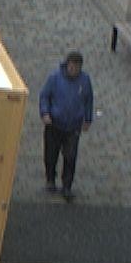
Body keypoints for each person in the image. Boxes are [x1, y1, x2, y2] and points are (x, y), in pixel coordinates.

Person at [38, 52, 94, 200]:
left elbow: (88, 100)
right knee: (51, 154)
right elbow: (44, 96)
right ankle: (50, 179)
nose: (73, 69)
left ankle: (67, 186)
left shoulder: (85, 80)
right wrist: (45, 113)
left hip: (73, 126)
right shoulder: (54, 78)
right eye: (71, 66)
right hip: (54, 124)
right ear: (67, 64)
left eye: (76, 67)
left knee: (70, 156)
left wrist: (87, 119)